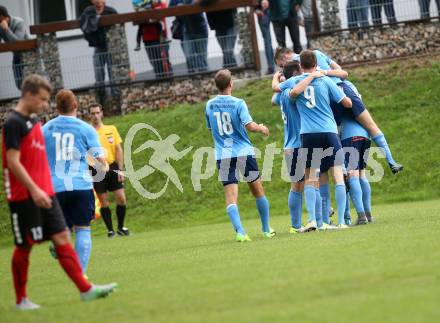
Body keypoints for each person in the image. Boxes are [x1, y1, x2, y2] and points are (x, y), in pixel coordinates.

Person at [1, 75, 117, 310]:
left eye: (47, 101)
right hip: (55, 189)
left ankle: (85, 288)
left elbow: (38, 157)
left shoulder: (41, 126)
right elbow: (13, 161)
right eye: (41, 99)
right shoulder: (16, 123)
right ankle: (26, 297)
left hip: (51, 188)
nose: (43, 105)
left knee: (63, 236)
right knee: (65, 234)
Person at [273, 47, 404, 175]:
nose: (282, 70)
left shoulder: (297, 66)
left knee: (334, 134)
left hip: (326, 97)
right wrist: (325, 72)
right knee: (370, 125)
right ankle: (391, 161)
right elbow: (343, 73)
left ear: (286, 58)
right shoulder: (317, 53)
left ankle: (342, 170)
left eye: (281, 66)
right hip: (343, 90)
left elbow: (277, 94)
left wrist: (279, 80)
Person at [43, 90, 107, 276]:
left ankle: (56, 243)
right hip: (80, 185)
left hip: (55, 187)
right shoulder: (85, 128)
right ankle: (81, 275)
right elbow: (101, 162)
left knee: (62, 230)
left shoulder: (45, 129)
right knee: (83, 229)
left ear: (56, 107)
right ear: (76, 106)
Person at [205, 69, 275, 241]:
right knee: (257, 189)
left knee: (230, 196)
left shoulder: (209, 105)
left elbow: (210, 128)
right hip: (243, 151)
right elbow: (250, 126)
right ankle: (266, 229)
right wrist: (262, 128)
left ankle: (241, 233)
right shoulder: (238, 103)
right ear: (231, 84)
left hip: (223, 155)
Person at [287, 51, 353, 229]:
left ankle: (314, 221)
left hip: (308, 134)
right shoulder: (325, 81)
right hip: (329, 132)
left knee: (311, 177)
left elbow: (289, 93)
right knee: (338, 175)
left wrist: (307, 78)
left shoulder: (295, 82)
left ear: (300, 65)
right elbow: (347, 103)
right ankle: (340, 222)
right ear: (316, 63)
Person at [271, 61, 306, 233]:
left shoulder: (283, 93)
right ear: (296, 74)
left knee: (297, 185)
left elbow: (273, 97)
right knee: (312, 181)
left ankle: (296, 226)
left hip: (289, 145)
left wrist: (276, 78)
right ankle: (319, 217)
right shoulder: (295, 91)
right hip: (302, 142)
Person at [89, 103, 129, 238]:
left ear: (102, 113)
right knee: (104, 202)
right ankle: (110, 230)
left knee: (121, 198)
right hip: (96, 169)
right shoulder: (88, 132)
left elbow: (118, 149)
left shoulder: (111, 129)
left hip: (112, 167)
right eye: (92, 113)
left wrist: (121, 169)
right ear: (90, 115)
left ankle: (121, 227)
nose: (95, 116)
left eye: (97, 112)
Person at [79, 0, 119, 102]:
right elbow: (83, 26)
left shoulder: (111, 11)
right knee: (98, 72)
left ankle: (115, 96)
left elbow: (119, 26)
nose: (98, 1)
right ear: (92, 1)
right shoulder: (88, 11)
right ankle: (101, 97)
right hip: (98, 46)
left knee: (113, 72)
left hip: (111, 47)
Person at [136, 0, 173, 79]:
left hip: (160, 39)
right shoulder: (141, 13)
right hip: (148, 40)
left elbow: (161, 24)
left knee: (164, 59)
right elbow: (140, 29)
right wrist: (138, 43)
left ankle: (169, 77)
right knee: (154, 61)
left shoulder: (158, 7)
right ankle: (160, 78)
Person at [169, 0, 209, 73]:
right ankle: (202, 72)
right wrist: (178, 4)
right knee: (189, 56)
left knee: (202, 56)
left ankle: (204, 74)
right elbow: (170, 6)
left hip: (200, 28)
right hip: (186, 30)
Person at [0, 6, 29, 90]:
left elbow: (18, 42)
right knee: (18, 82)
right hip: (16, 54)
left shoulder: (19, 22)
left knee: (31, 81)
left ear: (1, 16)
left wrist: (6, 29)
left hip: (28, 54)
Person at [255, 0, 275, 74]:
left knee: (268, 41)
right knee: (267, 41)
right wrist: (256, 8)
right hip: (262, 11)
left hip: (270, 8)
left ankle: (272, 67)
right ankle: (271, 67)